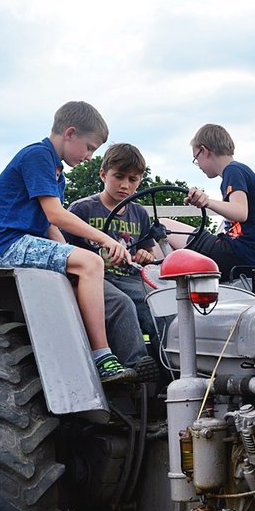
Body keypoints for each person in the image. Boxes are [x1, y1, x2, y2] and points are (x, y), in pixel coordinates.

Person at [0, 101, 136, 382]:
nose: (89, 157)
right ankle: (102, 355)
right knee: (90, 262)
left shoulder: (56, 171)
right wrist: (102, 240)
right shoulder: (37, 156)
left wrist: (73, 252)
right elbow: (56, 213)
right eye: (89, 147)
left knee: (86, 268)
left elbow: (49, 224)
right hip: (5, 244)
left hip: (26, 240)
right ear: (70, 133)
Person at [64, 143, 160, 360]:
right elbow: (64, 249)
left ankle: (171, 362)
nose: (125, 185)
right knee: (121, 303)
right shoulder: (82, 209)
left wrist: (146, 256)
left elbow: (148, 252)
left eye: (132, 180)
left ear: (140, 182)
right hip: (95, 279)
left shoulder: (139, 214)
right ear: (103, 174)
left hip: (129, 278)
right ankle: (137, 363)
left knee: (157, 303)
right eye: (119, 176)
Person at [183, 124, 255, 281]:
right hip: (254, 260)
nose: (198, 166)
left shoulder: (233, 171)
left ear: (205, 151)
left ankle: (161, 290)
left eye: (196, 159)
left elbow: (240, 212)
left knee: (164, 226)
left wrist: (207, 201)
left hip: (240, 256)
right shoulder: (240, 171)